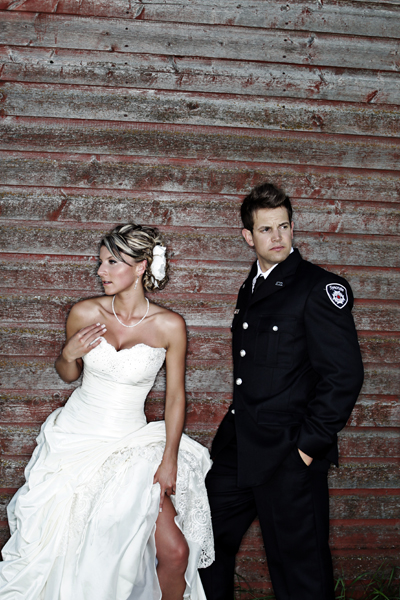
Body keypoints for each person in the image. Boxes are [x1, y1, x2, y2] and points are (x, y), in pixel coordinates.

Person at [0, 223, 214, 600]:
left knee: (175, 552)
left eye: (112, 262)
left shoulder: (169, 325)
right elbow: (69, 375)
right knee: (75, 549)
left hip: (131, 445)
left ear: (141, 266)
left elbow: (175, 397)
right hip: (76, 440)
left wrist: (169, 461)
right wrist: (67, 355)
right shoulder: (84, 311)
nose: (101, 271)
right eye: (101, 262)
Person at [199, 182, 364, 600]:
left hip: (289, 452)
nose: (277, 238)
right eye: (266, 229)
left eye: (284, 227)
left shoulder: (319, 287)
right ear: (248, 237)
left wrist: (306, 448)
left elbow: (343, 377)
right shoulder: (251, 286)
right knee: (205, 545)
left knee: (299, 571)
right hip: (240, 446)